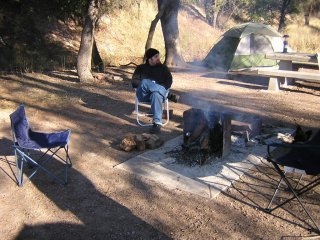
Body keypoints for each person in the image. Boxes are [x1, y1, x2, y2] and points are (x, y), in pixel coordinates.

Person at [132, 48, 172, 134]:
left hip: (157, 97)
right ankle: (167, 94)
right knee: (145, 82)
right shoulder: (140, 68)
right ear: (150, 58)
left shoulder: (163, 68)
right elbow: (134, 82)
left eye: (159, 56)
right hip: (144, 95)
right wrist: (148, 85)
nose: (158, 58)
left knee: (155, 94)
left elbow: (169, 81)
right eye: (156, 56)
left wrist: (155, 88)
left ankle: (157, 124)